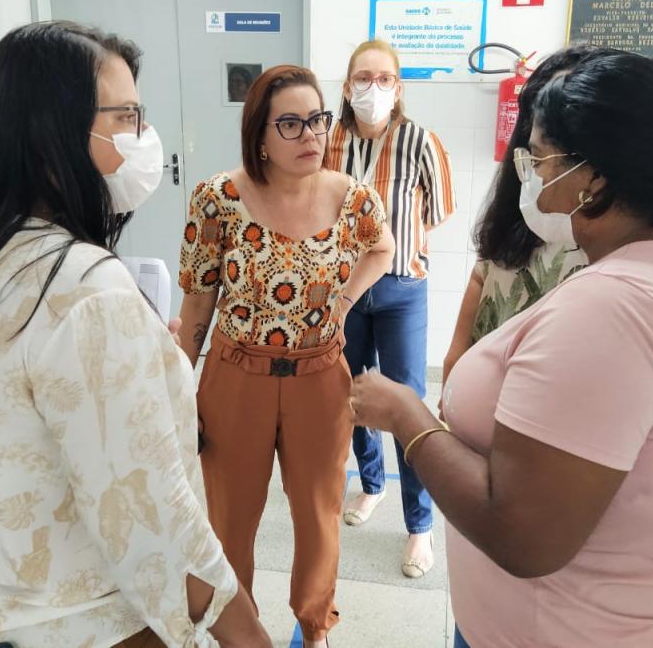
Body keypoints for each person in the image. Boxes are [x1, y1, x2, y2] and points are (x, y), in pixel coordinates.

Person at [350, 50, 653, 647]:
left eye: (541, 160)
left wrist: (405, 415)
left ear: (594, 176)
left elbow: (523, 536)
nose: (534, 184)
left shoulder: (617, 309)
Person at [0, 21, 270, 648]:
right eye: (124, 117)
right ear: (54, 133)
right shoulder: (85, 289)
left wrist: (146, 361)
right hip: (80, 623)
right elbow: (150, 520)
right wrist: (248, 636)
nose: (141, 137)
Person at [178, 64, 395, 647]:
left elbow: (383, 248)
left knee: (320, 515)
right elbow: (197, 306)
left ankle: (314, 627)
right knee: (230, 520)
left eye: (318, 120)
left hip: (320, 377)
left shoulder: (353, 198)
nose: (311, 135)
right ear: (260, 136)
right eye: (291, 124)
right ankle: (238, 632)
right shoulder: (218, 199)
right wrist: (176, 392)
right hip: (235, 377)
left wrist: (344, 301)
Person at [323, 39, 455, 578]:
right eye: (363, 77)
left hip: (402, 288)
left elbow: (439, 211)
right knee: (351, 393)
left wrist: (398, 241)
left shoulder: (421, 141)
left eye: (383, 79)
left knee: (406, 403)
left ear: (398, 88)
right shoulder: (330, 142)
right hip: (347, 289)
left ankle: (420, 526)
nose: (372, 88)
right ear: (346, 85)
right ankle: (372, 484)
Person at [442, 47, 616, 386]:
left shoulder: (609, 248)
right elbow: (484, 272)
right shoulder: (522, 203)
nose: (536, 171)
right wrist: (455, 362)